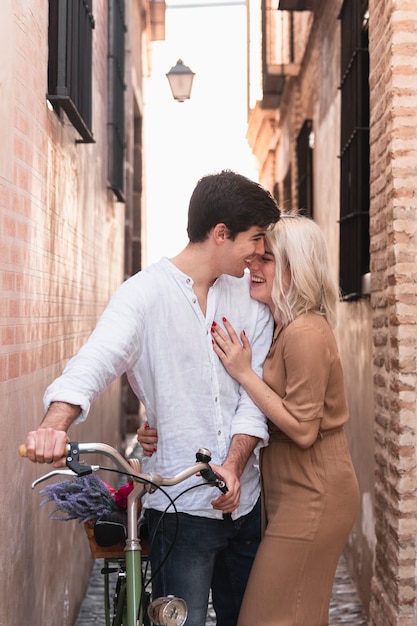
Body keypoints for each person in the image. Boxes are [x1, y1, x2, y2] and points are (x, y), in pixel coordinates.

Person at [24, 170, 280, 626]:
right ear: (221, 234)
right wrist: (54, 424)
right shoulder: (143, 295)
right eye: (256, 238)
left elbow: (254, 398)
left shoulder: (251, 298)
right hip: (180, 513)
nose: (261, 251)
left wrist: (234, 469)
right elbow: (97, 359)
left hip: (246, 508)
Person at [210, 214, 360, 626]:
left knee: (265, 617)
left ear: (297, 270)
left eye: (268, 259)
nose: (253, 268)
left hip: (315, 493)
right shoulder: (283, 328)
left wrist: (245, 373)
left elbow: (303, 429)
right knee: (299, 614)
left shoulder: (306, 334)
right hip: (294, 493)